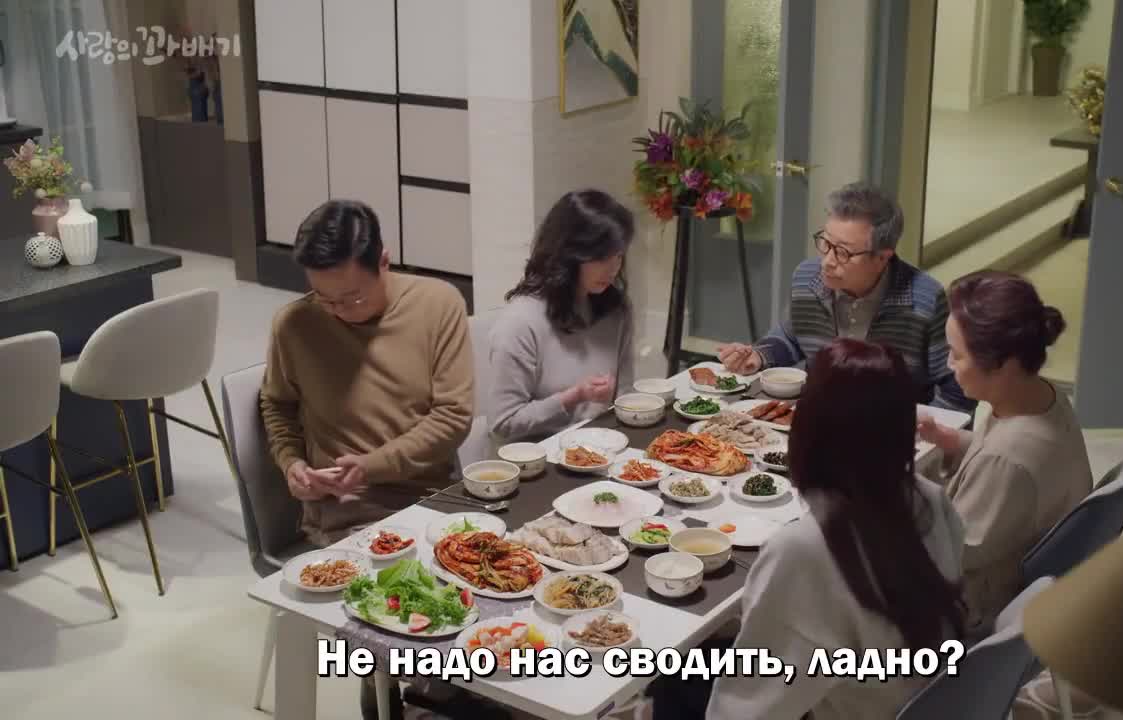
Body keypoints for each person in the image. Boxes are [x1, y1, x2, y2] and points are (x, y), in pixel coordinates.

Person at [652, 339, 967, 720]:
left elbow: (748, 706)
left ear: (810, 427)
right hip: (923, 697)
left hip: (850, 708)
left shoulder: (805, 548)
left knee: (672, 675)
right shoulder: (930, 497)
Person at [258, 200, 479, 720]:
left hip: (437, 498)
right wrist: (292, 464)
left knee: (498, 588)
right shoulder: (295, 324)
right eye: (324, 297)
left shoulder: (437, 304)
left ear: (384, 260)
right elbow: (277, 406)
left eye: (351, 296)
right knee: (393, 613)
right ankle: (390, 697)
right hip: (348, 513)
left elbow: (453, 419)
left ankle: (448, 694)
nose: (338, 310)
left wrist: (373, 463)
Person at [917, 270, 1092, 636]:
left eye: (957, 355)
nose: (948, 365)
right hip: (1009, 558)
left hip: (974, 604)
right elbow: (996, 458)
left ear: (1005, 364)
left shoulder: (1007, 461)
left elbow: (951, 553)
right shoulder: (1041, 396)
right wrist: (949, 439)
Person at [718, 181, 975, 413]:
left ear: (882, 258)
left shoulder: (924, 300)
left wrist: (918, 433)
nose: (827, 262)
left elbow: (956, 388)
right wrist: (758, 356)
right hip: (820, 420)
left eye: (843, 252)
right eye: (826, 243)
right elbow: (791, 336)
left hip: (893, 432)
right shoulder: (807, 278)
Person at [488, 189, 635, 443]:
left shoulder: (616, 311)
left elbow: (625, 397)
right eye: (601, 257)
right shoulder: (520, 323)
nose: (613, 269)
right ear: (570, 254)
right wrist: (573, 397)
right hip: (535, 457)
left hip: (600, 448)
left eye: (618, 256)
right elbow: (503, 423)